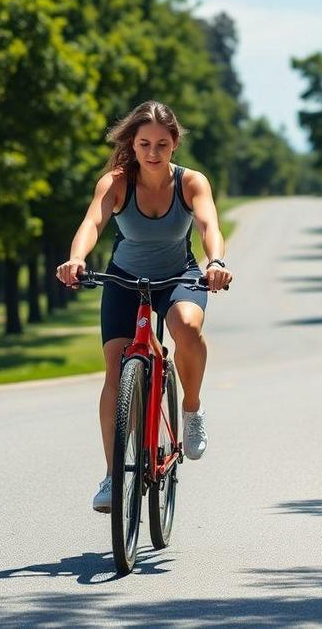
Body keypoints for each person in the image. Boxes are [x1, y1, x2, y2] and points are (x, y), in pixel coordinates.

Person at [55, 100, 234, 513]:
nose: (152, 153)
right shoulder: (115, 182)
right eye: (144, 144)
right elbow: (92, 223)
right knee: (117, 369)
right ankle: (112, 477)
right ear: (132, 145)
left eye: (162, 144)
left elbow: (209, 225)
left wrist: (217, 262)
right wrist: (77, 258)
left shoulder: (191, 183)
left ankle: (191, 407)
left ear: (174, 144)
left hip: (178, 276)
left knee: (187, 328)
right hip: (124, 279)